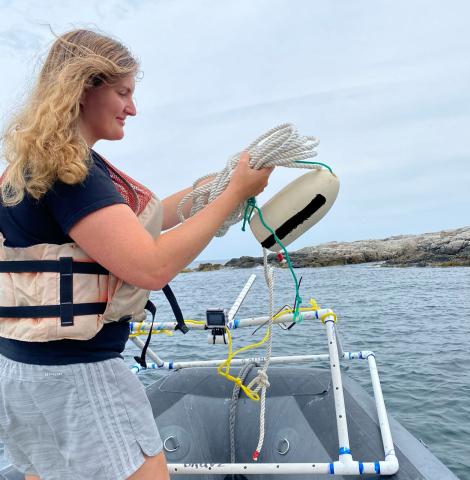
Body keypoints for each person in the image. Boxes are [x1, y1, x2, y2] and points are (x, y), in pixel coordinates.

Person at [0, 29, 273, 480]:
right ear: (83, 88)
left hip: (22, 375)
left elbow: (142, 222)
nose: (132, 108)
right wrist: (237, 194)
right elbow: (151, 266)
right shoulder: (73, 172)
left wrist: (214, 188)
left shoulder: (32, 166)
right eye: (123, 92)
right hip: (79, 378)